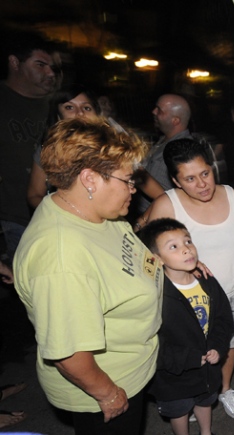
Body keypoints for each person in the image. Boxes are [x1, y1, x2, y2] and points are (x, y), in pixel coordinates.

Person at [13, 117, 164, 435]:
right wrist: (109, 395)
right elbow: (70, 355)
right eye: (127, 180)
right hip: (107, 386)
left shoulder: (93, 211)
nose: (134, 189)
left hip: (134, 361)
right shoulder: (61, 258)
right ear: (90, 179)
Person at [140, 138, 234, 419]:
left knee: (228, 343)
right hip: (186, 300)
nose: (202, 184)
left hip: (232, 290)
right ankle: (194, 397)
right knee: (193, 352)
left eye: (205, 173)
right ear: (175, 180)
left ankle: (224, 389)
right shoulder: (166, 204)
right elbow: (146, 257)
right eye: (190, 179)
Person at [138, 218, 234, 435]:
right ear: (157, 258)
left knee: (205, 401)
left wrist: (218, 347)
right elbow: (151, 342)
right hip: (173, 377)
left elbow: (223, 318)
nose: (186, 250)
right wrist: (186, 359)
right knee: (179, 411)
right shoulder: (154, 295)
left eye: (188, 241)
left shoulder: (207, 280)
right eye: (173, 246)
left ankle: (206, 432)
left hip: (207, 370)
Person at [0, 32, 60, 260]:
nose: (50, 73)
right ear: (15, 63)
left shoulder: (59, 105)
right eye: (41, 65)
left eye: (52, 67)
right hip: (14, 218)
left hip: (59, 216)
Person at [26, 84, 101, 209]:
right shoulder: (48, 151)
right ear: (58, 117)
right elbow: (34, 195)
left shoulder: (114, 149)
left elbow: (143, 182)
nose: (80, 113)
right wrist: (63, 214)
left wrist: (139, 224)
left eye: (87, 108)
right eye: (70, 107)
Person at [136, 94, 193, 213]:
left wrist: (133, 169)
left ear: (175, 120)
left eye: (160, 111)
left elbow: (171, 196)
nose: (154, 112)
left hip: (160, 217)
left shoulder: (182, 150)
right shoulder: (164, 140)